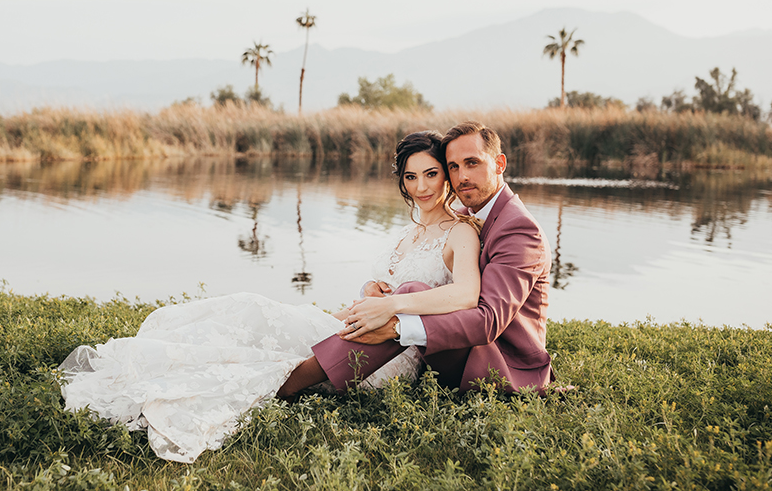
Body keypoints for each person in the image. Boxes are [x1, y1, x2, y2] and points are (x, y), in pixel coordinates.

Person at [57, 131, 482, 463]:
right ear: (402, 180)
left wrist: (391, 304)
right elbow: (385, 288)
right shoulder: (408, 233)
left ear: (446, 175)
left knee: (257, 315)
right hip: (355, 322)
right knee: (254, 310)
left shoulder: (459, 231)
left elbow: (465, 293)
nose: (422, 186)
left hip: (389, 354)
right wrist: (371, 292)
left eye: (431, 174)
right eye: (411, 176)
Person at [279, 120, 553, 397]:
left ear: (499, 163)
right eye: (454, 167)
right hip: (452, 348)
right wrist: (376, 290)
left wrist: (397, 325)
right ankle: (290, 368)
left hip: (502, 366)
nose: (462, 177)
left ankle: (289, 384)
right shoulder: (466, 211)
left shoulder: (519, 229)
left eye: (472, 163)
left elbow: (488, 320)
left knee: (412, 294)